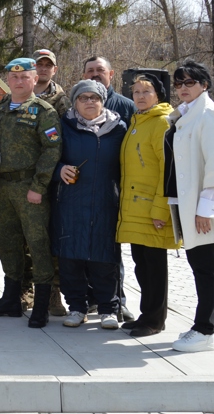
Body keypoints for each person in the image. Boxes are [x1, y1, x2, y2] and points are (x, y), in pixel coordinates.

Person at [165, 61, 214, 352]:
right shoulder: (188, 113)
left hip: (203, 206)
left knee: (205, 267)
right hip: (191, 203)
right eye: (179, 83)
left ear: (204, 84)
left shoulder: (210, 115)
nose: (183, 88)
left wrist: (205, 209)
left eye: (190, 82)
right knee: (203, 264)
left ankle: (204, 328)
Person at [0, 58, 61, 328]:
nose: (18, 81)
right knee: (8, 244)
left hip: (30, 189)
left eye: (24, 77)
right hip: (4, 187)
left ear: (34, 79)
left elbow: (52, 150)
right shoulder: (0, 108)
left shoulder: (43, 110)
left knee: (38, 245)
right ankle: (11, 299)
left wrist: (39, 187)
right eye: (13, 77)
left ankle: (41, 306)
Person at [51, 80, 127, 330]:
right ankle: (76, 307)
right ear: (74, 102)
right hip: (72, 201)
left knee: (105, 257)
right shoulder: (65, 126)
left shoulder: (119, 129)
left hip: (106, 200)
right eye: (83, 98)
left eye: (94, 97)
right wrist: (60, 170)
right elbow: (49, 158)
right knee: (70, 256)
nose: (89, 102)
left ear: (103, 100)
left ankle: (108, 309)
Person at [116, 73, 177, 337]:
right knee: (142, 265)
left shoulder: (162, 122)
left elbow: (168, 169)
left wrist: (160, 210)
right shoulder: (137, 121)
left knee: (154, 267)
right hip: (134, 207)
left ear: (159, 95)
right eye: (136, 92)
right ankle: (145, 314)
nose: (140, 96)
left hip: (152, 209)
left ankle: (155, 319)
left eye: (146, 92)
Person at [82, 55, 135, 321]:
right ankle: (92, 300)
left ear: (111, 74)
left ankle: (118, 301)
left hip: (116, 188)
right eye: (89, 71)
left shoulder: (126, 106)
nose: (94, 74)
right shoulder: (77, 104)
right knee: (85, 247)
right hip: (82, 190)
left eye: (99, 70)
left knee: (111, 250)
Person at [33, 49, 70, 116]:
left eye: (48, 65)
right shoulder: (19, 93)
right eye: (39, 64)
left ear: (54, 70)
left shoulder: (61, 101)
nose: (43, 69)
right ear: (32, 67)